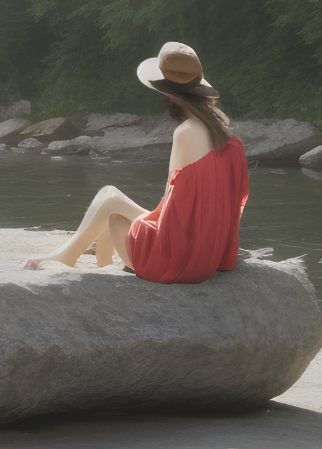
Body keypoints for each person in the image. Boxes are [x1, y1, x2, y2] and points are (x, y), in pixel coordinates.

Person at [21, 42, 249, 284]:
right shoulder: (230, 139)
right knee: (110, 199)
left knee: (111, 204)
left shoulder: (186, 133)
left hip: (177, 261)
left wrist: (139, 223)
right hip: (207, 255)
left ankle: (66, 258)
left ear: (168, 95)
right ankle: (102, 267)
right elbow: (228, 208)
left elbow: (171, 209)